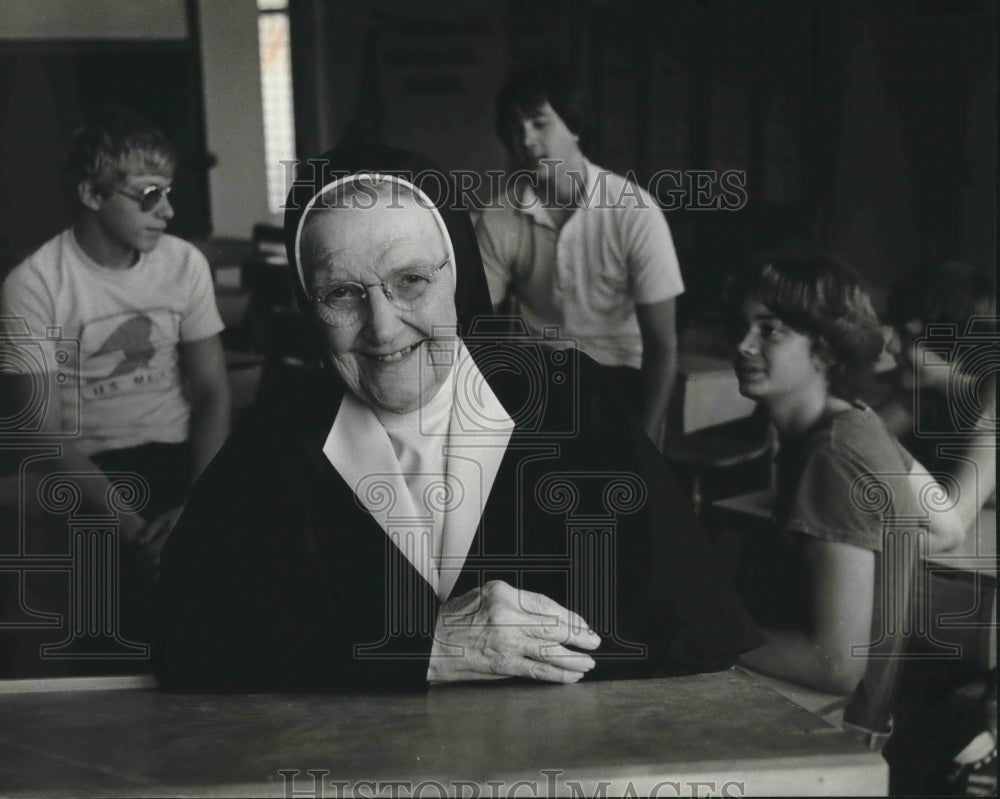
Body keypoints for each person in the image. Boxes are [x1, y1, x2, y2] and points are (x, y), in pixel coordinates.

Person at [153, 144, 761, 693]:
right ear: (308, 307)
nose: (383, 328)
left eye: (411, 281)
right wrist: (422, 650)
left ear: (460, 278)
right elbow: (187, 642)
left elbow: (697, 629)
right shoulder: (279, 434)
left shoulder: (571, 404)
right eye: (341, 293)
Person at [0, 105, 231, 588]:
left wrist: (198, 505)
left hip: (180, 455)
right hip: (89, 470)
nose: (166, 211)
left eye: (168, 193)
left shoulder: (184, 263)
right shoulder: (35, 283)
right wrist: (134, 532)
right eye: (148, 195)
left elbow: (212, 389)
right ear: (91, 194)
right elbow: (42, 434)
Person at [721, 253, 952, 695]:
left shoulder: (831, 456)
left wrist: (707, 634)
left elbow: (836, 667)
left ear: (825, 348)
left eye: (769, 329)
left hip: (834, 719)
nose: (743, 345)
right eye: (742, 326)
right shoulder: (857, 420)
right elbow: (948, 526)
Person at [475, 64, 683, 448]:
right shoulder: (497, 217)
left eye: (539, 123)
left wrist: (646, 439)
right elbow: (474, 320)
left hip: (618, 378)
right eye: (514, 128)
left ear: (573, 125)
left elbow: (662, 344)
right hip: (539, 379)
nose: (526, 140)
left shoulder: (634, 211)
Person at [878, 261, 997, 796]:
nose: (892, 349)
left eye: (908, 338)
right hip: (964, 569)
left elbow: (952, 519)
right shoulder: (917, 389)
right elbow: (857, 456)